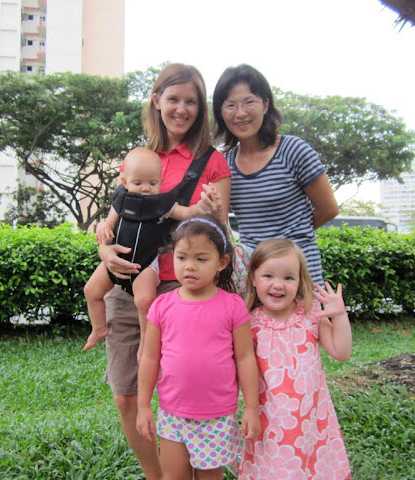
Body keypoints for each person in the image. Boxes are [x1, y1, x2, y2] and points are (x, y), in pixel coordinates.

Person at [98, 63, 231, 480]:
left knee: (184, 401)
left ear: (201, 107)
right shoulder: (139, 158)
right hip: (126, 282)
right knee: (125, 395)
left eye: (191, 101)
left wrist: (211, 213)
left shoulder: (212, 162)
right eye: (173, 99)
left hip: (182, 289)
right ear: (156, 100)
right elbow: (115, 220)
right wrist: (104, 250)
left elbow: (221, 235)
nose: (181, 109)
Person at [137, 215, 261, 480]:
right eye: (182, 257)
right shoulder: (161, 306)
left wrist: (251, 407)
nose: (189, 266)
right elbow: (149, 358)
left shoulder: (233, 306)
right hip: (173, 414)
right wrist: (143, 406)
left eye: (201, 259)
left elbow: (245, 357)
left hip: (217, 416)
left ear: (221, 262)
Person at [212, 64, 339, 286]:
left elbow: (329, 209)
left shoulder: (293, 150)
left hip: (299, 273)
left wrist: (291, 238)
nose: (240, 113)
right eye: (230, 105)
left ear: (265, 104)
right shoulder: (225, 164)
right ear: (221, 113)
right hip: (256, 276)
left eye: (249, 102)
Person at [239, 238, 352, 480]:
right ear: (253, 278)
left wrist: (340, 315)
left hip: (311, 420)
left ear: (300, 281)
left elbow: (341, 352)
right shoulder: (248, 323)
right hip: (269, 421)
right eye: (268, 276)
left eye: (289, 278)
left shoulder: (311, 315)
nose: (278, 285)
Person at [83, 146, 202, 354]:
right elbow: (109, 223)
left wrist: (204, 206)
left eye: (152, 183)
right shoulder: (121, 200)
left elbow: (187, 213)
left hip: (144, 265)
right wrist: (102, 226)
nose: (146, 189)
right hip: (115, 262)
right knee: (91, 291)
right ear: (124, 181)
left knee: (144, 301)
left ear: (160, 181)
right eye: (138, 183)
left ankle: (146, 341)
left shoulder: (162, 205)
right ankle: (99, 327)